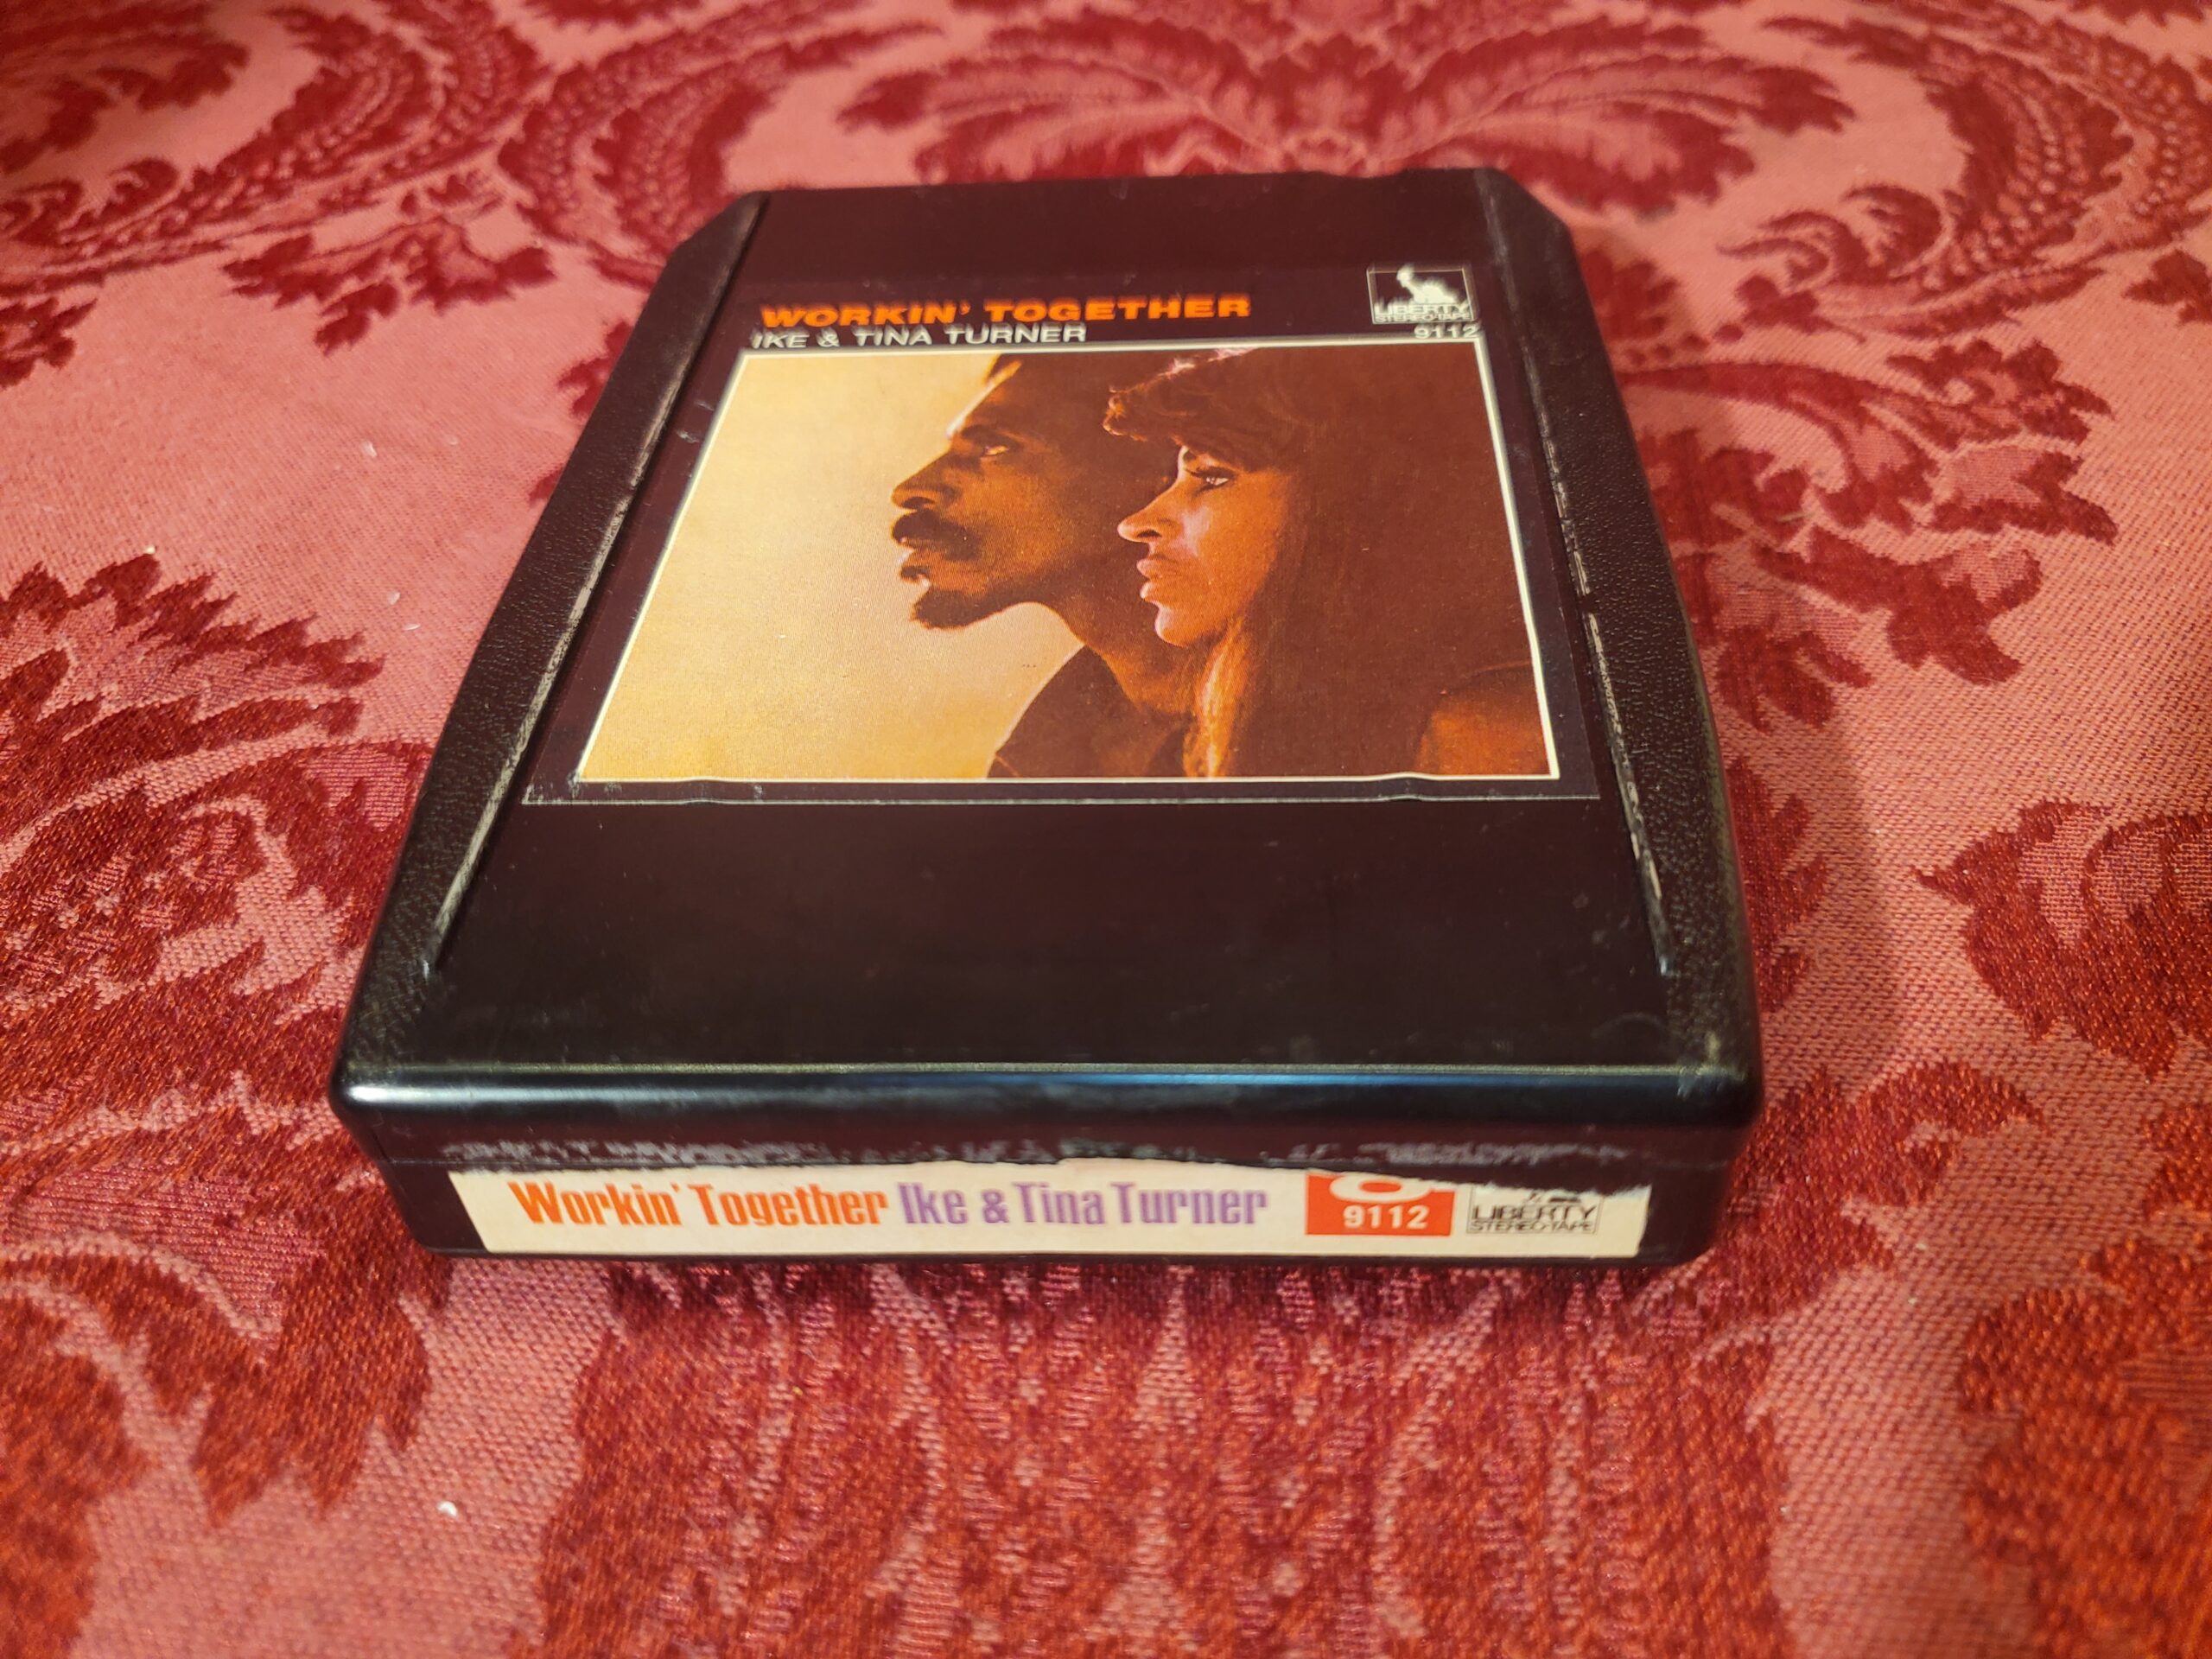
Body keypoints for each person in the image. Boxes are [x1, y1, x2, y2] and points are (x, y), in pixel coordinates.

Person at [1107, 344, 1550, 779]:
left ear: (1346, 507)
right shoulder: (1213, 734)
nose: (1136, 524)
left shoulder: (1484, 736)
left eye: (1212, 477)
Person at [890, 353, 1192, 778]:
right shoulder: (1027, 765)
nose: (910, 490)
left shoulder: (1287, 722)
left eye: (994, 448)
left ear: (1162, 469)